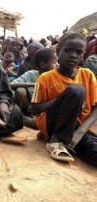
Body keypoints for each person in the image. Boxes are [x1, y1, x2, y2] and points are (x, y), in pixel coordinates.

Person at [31, 33, 97, 166]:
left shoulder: (88, 75)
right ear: (58, 51)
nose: (73, 55)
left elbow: (95, 107)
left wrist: (80, 132)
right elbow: (35, 108)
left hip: (77, 127)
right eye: (68, 50)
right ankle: (56, 141)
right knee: (76, 90)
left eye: (79, 52)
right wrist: (62, 98)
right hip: (53, 125)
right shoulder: (45, 78)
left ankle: (68, 142)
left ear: (83, 55)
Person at [11, 48, 58, 129]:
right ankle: (18, 115)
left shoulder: (56, 77)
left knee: (39, 124)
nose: (58, 65)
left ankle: (21, 119)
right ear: (43, 65)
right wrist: (33, 84)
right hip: (28, 109)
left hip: (43, 111)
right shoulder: (31, 74)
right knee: (20, 90)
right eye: (54, 62)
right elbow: (11, 84)